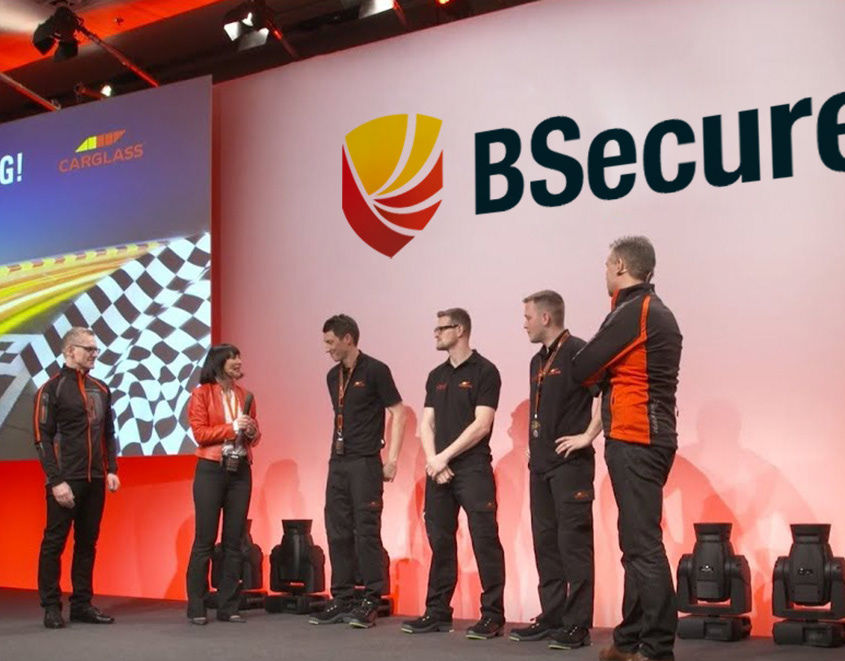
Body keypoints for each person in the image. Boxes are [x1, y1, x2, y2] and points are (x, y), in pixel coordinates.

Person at [570, 236, 682, 661]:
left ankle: (657, 649)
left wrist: (602, 374)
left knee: (642, 546)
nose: (604, 272)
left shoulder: (633, 311)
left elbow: (583, 367)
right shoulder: (649, 310)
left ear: (619, 266)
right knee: (635, 545)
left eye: (606, 265)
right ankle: (629, 640)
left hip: (637, 438)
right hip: (646, 437)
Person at [402, 308, 506, 640]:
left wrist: (444, 457)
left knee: (484, 540)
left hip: (472, 468)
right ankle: (437, 612)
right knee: (440, 541)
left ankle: (492, 615)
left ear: (460, 330)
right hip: (439, 469)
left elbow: (482, 424)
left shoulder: (485, 371)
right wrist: (434, 461)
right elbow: (427, 423)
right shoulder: (436, 375)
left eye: (441, 328)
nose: (436, 333)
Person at [509, 291, 602, 650]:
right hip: (541, 465)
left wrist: (587, 435)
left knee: (573, 544)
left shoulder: (579, 351)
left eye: (527, 317)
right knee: (545, 543)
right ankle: (552, 617)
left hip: (570, 467)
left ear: (545, 318)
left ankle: (577, 624)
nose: (524, 324)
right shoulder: (537, 360)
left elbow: (605, 393)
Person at [310, 314, 406, 629]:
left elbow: (399, 412)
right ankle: (342, 598)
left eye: (330, 342)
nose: (326, 348)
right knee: (337, 530)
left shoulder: (376, 370)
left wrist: (392, 459)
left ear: (348, 338)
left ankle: (370, 600)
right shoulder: (331, 377)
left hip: (365, 462)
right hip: (337, 462)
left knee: (366, 531)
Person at [34, 327, 120, 629]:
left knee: (87, 543)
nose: (94, 354)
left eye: (96, 349)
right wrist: (56, 480)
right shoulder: (51, 389)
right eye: (89, 349)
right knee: (54, 543)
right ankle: (51, 606)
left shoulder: (101, 389)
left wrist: (112, 469)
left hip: (95, 478)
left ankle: (82, 604)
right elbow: (42, 438)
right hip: (65, 478)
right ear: (70, 351)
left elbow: (108, 432)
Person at [185, 344, 260, 625]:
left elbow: (254, 436)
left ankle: (229, 605)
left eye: (239, 357)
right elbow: (200, 434)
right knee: (204, 540)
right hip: (211, 469)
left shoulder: (246, 395)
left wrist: (251, 431)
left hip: (240, 470)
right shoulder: (201, 394)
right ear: (218, 363)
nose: (238, 362)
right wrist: (232, 428)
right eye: (232, 358)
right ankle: (197, 606)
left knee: (234, 541)